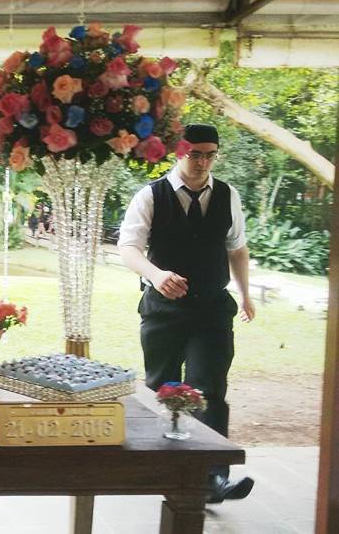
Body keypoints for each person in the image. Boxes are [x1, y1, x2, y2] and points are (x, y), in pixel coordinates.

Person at [117, 124, 256, 504]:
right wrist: (156, 275)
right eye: (195, 153)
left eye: (209, 154)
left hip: (212, 308)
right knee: (160, 385)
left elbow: (237, 248)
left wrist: (245, 295)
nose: (202, 161)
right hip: (163, 309)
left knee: (209, 389)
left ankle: (211, 479)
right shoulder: (150, 195)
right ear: (179, 152)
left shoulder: (228, 196)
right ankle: (158, 470)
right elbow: (128, 248)